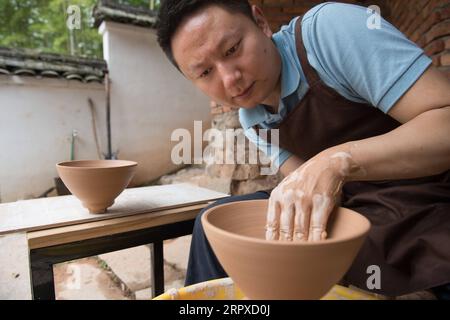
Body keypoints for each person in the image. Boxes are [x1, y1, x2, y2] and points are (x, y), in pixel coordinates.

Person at [156, 0, 450, 298]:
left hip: (428, 199)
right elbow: (305, 191)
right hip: (359, 211)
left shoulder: (328, 33)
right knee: (212, 226)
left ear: (260, 22)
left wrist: (338, 161)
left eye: (232, 49)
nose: (230, 78)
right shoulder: (252, 118)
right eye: (206, 72)